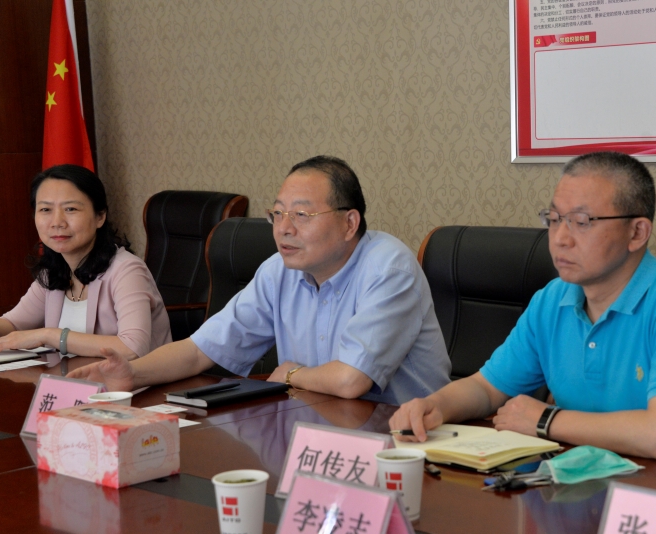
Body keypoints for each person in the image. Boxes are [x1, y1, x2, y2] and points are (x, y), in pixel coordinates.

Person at [390, 151, 656, 464]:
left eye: (582, 221)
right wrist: (434, 406)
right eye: (554, 218)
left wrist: (545, 420)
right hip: (587, 482)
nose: (560, 238)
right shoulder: (553, 299)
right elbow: (487, 388)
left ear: (637, 233)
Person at [68, 156, 451, 404]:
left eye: (301, 215)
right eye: (277, 214)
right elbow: (201, 350)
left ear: (350, 223)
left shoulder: (388, 270)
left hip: (408, 440)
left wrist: (293, 374)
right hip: (318, 427)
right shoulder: (279, 271)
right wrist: (133, 373)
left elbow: (351, 380)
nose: (283, 229)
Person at [0, 165, 171, 359]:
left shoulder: (127, 270)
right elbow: (14, 323)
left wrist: (47, 335)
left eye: (70, 209)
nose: (57, 222)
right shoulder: (54, 271)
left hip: (136, 379)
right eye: (45, 209)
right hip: (71, 376)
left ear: (100, 216)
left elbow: (132, 348)